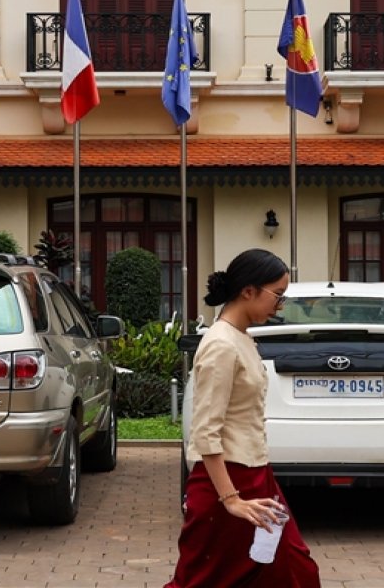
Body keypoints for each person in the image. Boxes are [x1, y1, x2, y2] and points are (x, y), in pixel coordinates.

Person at [166, 248, 321, 588]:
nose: (279, 306)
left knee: (292, 570)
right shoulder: (221, 344)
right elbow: (205, 433)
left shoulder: (241, 338)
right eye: (277, 296)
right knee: (205, 580)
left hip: (256, 476)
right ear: (248, 291)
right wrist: (231, 500)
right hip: (227, 484)